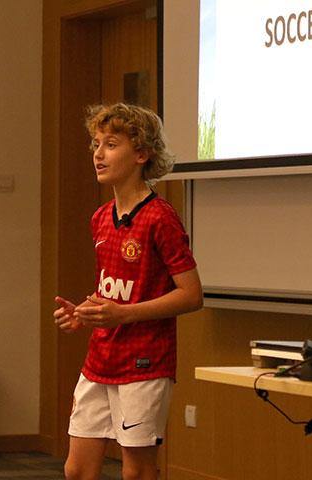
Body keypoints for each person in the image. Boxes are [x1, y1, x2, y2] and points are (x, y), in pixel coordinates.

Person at [54, 103, 203, 480]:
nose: (98, 154)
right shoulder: (100, 217)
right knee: (77, 469)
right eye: (95, 144)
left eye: (111, 144)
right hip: (101, 357)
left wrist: (125, 314)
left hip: (144, 362)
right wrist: (84, 311)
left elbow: (191, 295)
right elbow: (115, 288)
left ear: (141, 154)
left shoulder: (160, 217)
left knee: (136, 472)